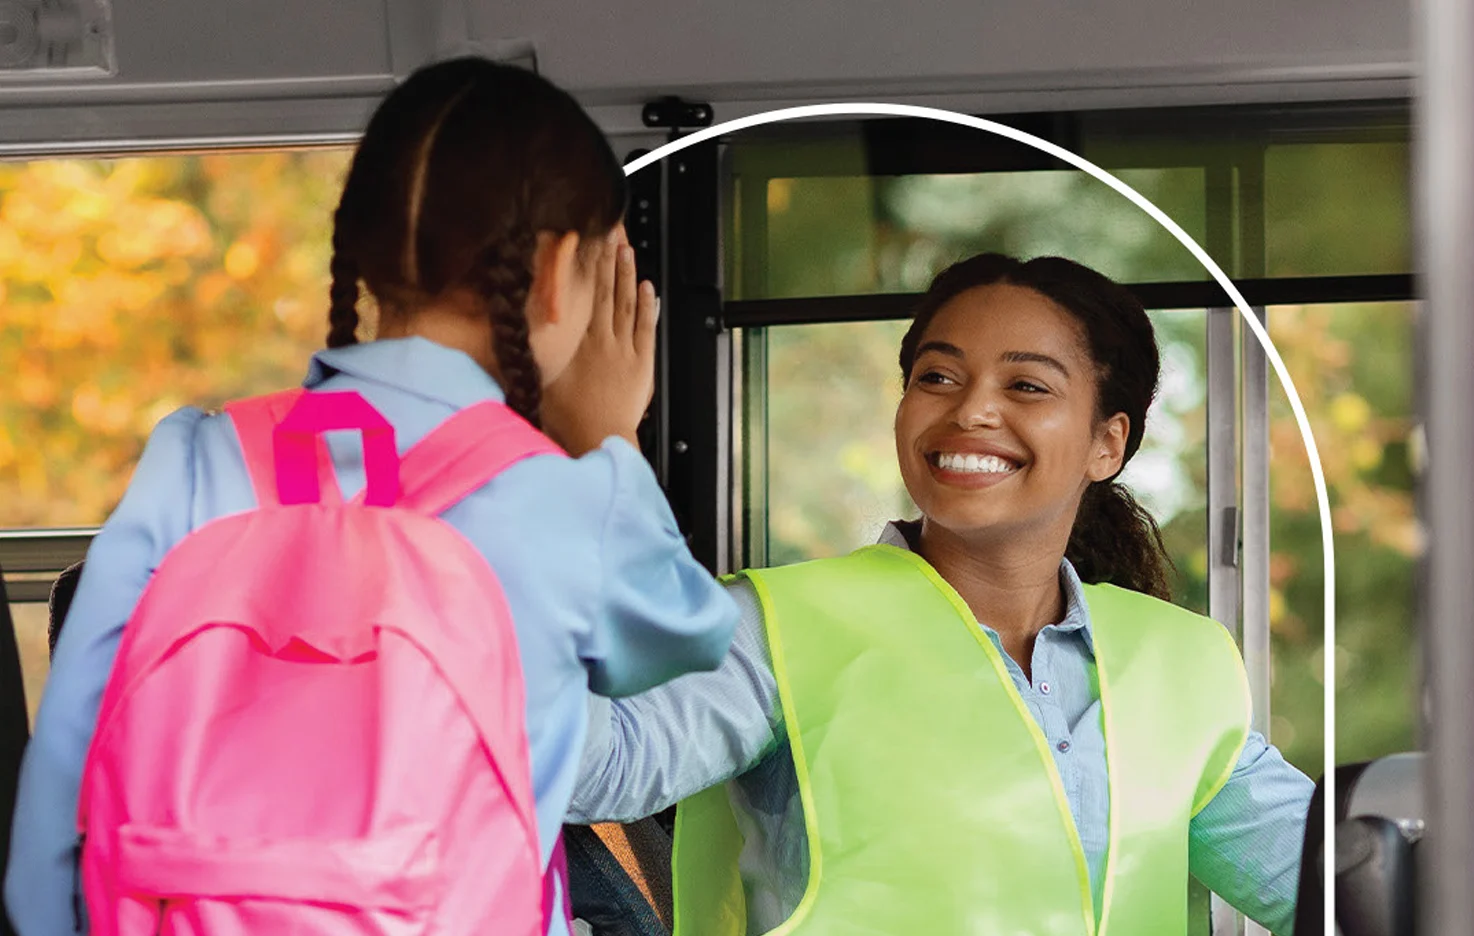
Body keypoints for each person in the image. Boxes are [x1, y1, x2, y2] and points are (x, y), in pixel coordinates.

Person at [6, 57, 738, 936]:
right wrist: (606, 441)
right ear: (555, 274)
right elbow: (686, 643)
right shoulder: (550, 499)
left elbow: (65, 773)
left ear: (359, 251)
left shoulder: (198, 454)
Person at [570, 253, 1313, 935]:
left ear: (1107, 444)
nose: (971, 411)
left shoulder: (1179, 664)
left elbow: (1346, 890)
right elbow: (582, 770)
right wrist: (598, 449)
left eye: (1025, 385)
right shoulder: (776, 629)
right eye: (938, 377)